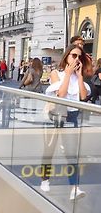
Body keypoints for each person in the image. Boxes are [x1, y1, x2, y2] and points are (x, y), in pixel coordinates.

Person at [41, 45, 91, 200]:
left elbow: (83, 97)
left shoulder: (79, 77)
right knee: (49, 150)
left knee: (72, 154)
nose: (76, 59)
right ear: (67, 56)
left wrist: (80, 76)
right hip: (56, 116)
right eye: (73, 55)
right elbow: (60, 95)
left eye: (79, 57)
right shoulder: (56, 73)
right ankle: (45, 179)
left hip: (72, 117)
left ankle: (74, 188)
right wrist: (68, 75)